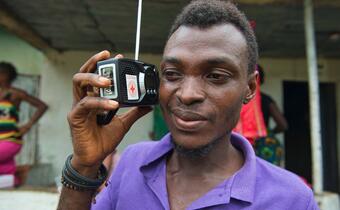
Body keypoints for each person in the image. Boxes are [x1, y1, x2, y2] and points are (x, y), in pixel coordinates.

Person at [57, 1, 319, 209]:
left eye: (216, 76)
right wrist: (84, 165)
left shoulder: (292, 199)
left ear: (250, 88)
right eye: (172, 74)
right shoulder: (132, 164)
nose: (188, 94)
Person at [0, 62, 48, 185]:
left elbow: (42, 106)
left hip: (10, 139)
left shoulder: (15, 93)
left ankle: (21, 170)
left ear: (9, 75)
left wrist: (28, 125)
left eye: (2, 72)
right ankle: (16, 178)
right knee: (6, 173)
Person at [254, 65, 288, 166]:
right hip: (266, 144)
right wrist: (269, 133)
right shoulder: (266, 99)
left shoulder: (239, 100)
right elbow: (283, 125)